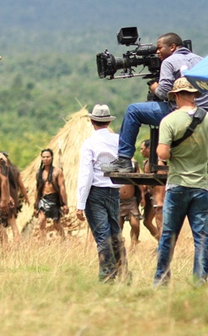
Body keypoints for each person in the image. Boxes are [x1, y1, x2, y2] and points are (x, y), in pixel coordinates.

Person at [102, 33, 208, 173]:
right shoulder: (200, 59)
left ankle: (124, 159)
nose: (157, 51)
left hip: (182, 113)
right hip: (205, 112)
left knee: (133, 111)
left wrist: (155, 88)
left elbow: (163, 93)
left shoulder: (169, 62)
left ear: (172, 47)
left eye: (160, 48)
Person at [153, 78, 208, 287]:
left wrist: (166, 151)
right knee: (201, 238)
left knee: (168, 237)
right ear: (194, 94)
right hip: (200, 187)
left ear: (177, 95)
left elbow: (162, 154)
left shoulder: (169, 121)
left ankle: (162, 282)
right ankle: (199, 282)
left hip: (177, 185)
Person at [76, 105, 128, 282]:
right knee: (115, 234)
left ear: (92, 122)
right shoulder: (119, 139)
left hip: (95, 192)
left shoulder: (89, 143)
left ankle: (107, 276)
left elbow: (86, 174)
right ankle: (122, 272)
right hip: (114, 191)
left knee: (102, 236)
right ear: (108, 121)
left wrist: (80, 204)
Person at [34, 149, 68, 242]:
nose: (46, 159)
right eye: (44, 157)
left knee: (56, 224)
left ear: (52, 157)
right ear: (41, 158)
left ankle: (64, 240)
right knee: (41, 222)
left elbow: (62, 188)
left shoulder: (57, 171)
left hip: (54, 199)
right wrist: (35, 205)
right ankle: (42, 243)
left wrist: (64, 204)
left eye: (48, 157)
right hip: (43, 199)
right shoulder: (39, 173)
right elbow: (37, 189)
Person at [140, 140, 162, 239]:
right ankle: (160, 243)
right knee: (147, 222)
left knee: (160, 223)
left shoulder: (159, 163)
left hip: (158, 197)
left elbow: (163, 183)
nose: (141, 151)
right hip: (150, 196)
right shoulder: (145, 163)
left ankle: (164, 248)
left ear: (149, 149)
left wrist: (161, 199)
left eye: (142, 149)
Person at [5, 152, 29, 243]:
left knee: (2, 224)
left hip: (4, 200)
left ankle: (6, 244)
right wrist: (26, 197)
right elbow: (21, 186)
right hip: (14, 200)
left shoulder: (0, 171)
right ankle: (16, 240)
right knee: (13, 222)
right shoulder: (15, 170)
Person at [119, 160, 143, 248]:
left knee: (135, 224)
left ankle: (134, 243)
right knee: (118, 226)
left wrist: (142, 195)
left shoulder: (133, 164)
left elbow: (139, 181)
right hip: (119, 200)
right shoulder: (115, 163)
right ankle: (120, 245)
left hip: (131, 200)